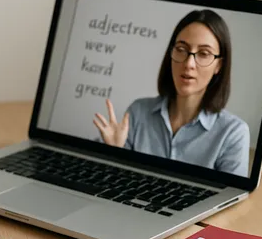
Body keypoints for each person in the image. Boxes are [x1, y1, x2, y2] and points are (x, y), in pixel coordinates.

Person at [92, 9, 250, 176]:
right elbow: (115, 183)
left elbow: (232, 200)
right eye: (181, 49)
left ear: (219, 65)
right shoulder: (138, 111)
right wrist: (113, 152)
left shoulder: (233, 133)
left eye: (204, 53)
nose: (189, 63)